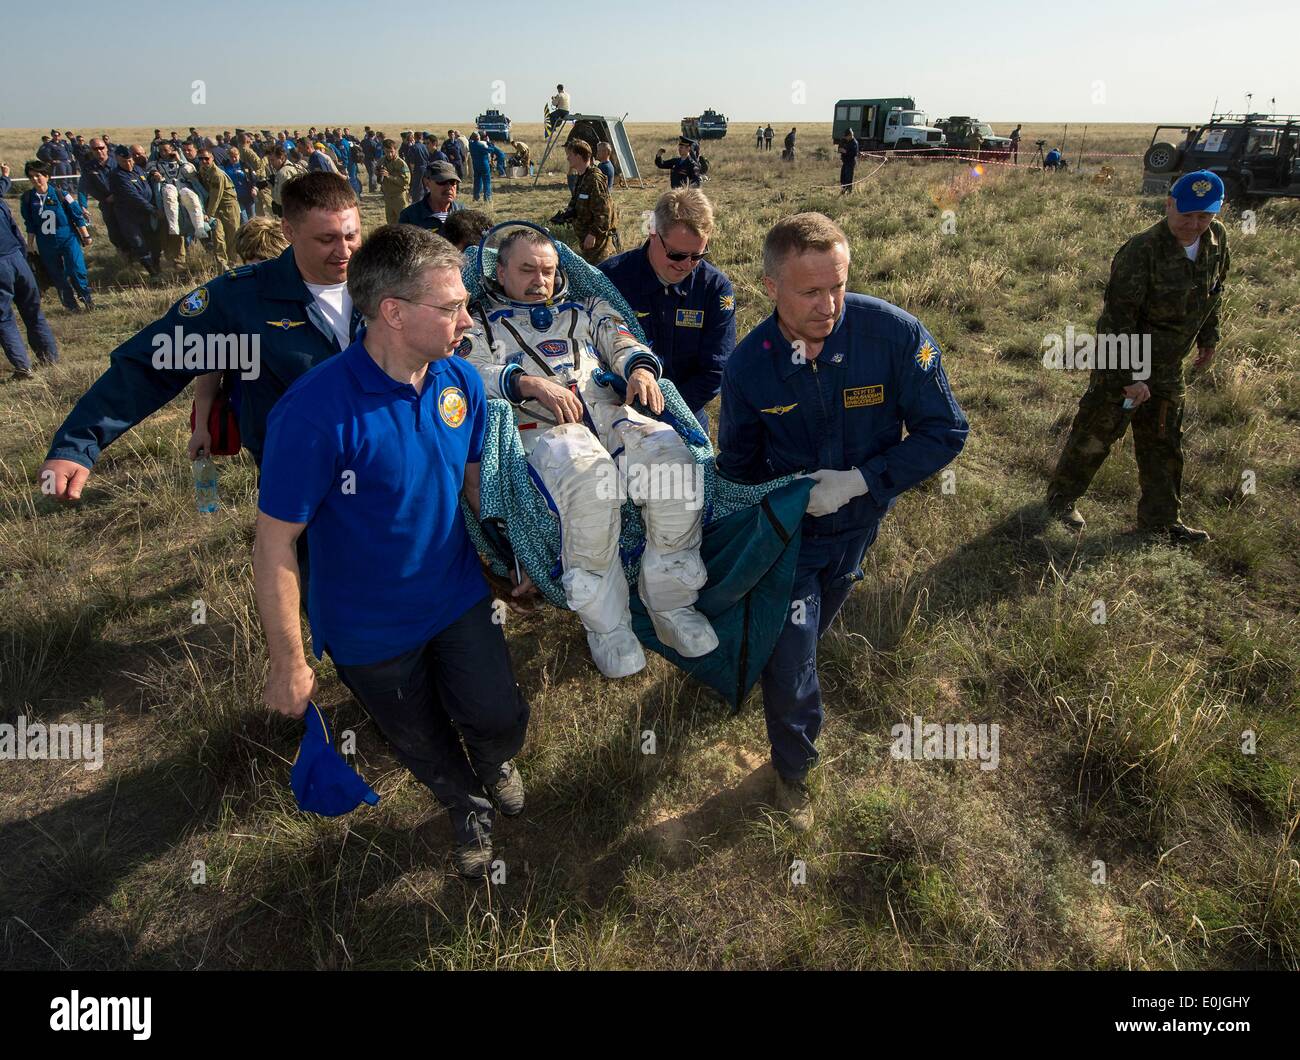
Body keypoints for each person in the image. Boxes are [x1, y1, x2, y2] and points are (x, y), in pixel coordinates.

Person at [254, 224, 529, 878]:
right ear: (394, 313)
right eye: (453, 307)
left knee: (498, 711)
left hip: (458, 595)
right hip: (367, 631)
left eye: (467, 302)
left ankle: (494, 758)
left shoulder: (458, 380)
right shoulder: (315, 413)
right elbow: (273, 544)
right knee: (422, 739)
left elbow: (468, 482)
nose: (469, 318)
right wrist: (288, 660)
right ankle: (466, 807)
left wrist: (512, 555)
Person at [718, 212, 968, 830]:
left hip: (859, 525)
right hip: (792, 540)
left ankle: (780, 679)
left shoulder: (894, 336)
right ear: (771, 285)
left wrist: (862, 481)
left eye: (838, 285)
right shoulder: (749, 368)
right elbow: (739, 469)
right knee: (793, 654)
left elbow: (946, 430)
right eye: (810, 290)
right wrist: (783, 506)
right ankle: (795, 768)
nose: (829, 304)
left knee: (818, 626)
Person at [464, 223, 717, 678]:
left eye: (547, 270)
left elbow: (621, 337)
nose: (539, 281)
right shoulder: (476, 321)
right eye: (526, 270)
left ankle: (671, 605)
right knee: (591, 487)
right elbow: (466, 370)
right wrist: (525, 382)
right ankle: (608, 627)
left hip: (608, 412)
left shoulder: (584, 308)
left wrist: (639, 369)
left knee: (673, 466)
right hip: (544, 431)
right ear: (500, 272)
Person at [38, 173, 363, 503]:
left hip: (389, 470)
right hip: (300, 479)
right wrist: (78, 443)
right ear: (289, 231)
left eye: (352, 235)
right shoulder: (239, 301)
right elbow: (151, 365)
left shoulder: (387, 285)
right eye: (326, 239)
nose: (344, 250)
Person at [1045, 171, 1230, 544]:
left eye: (1204, 217)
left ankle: (1161, 520)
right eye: (1187, 215)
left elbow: (1214, 292)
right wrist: (1131, 377)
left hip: (1169, 367)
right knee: (1097, 432)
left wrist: (1209, 337)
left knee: (1163, 441)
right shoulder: (1142, 251)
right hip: (1124, 361)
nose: (1194, 225)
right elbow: (1116, 321)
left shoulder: (1216, 240)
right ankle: (1060, 502)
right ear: (1169, 205)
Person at [598, 188, 734, 433]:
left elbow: (715, 370)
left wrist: (667, 412)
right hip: (617, 418)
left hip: (684, 418)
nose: (686, 265)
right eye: (677, 254)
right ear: (653, 232)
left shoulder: (714, 288)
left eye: (698, 255)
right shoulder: (610, 279)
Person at [0, 163, 59, 379]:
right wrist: (5, 176)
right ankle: (49, 358)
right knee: (33, 311)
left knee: (4, 318)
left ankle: (23, 368)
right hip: (18, 258)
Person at [20, 162, 94, 313]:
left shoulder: (62, 194)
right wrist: (30, 245)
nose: (35, 179)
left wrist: (85, 235)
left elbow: (77, 216)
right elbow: (30, 224)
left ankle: (87, 299)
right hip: (46, 243)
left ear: (46, 176)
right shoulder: (28, 199)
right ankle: (71, 306)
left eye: (38, 175)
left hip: (68, 238)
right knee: (57, 275)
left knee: (76, 269)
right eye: (31, 176)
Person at [108, 145, 160, 275]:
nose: (129, 163)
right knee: (138, 242)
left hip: (145, 214)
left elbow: (147, 186)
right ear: (117, 160)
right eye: (124, 161)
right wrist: (153, 209)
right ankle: (151, 272)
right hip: (129, 216)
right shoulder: (117, 175)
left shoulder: (138, 170)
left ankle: (156, 265)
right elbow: (133, 196)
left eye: (130, 160)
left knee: (152, 240)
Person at [563, 140, 615, 264]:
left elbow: (604, 213)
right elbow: (578, 202)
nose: (567, 158)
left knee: (601, 274)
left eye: (570, 154)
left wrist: (593, 234)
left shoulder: (594, 179)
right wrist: (567, 214)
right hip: (586, 241)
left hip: (598, 245)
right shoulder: (582, 177)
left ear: (579, 156)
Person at [197, 148, 242, 271]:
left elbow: (216, 196)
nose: (204, 161)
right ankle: (222, 264)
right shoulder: (203, 171)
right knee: (218, 236)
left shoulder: (217, 174)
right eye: (201, 159)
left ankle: (233, 262)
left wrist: (209, 214)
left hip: (228, 207)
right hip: (216, 209)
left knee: (232, 236)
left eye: (206, 158)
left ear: (212, 159)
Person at [398, 161, 464, 234]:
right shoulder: (410, 217)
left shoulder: (463, 214)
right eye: (442, 182)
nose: (449, 187)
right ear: (427, 182)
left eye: (452, 182)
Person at [268, 143, 307, 219]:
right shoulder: (297, 166)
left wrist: (273, 186)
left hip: (293, 212)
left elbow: (280, 199)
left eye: (273, 160)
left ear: (282, 158)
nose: (271, 163)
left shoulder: (283, 173)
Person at [377, 139, 410, 224]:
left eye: (391, 151)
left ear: (395, 150)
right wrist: (378, 173)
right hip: (388, 196)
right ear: (384, 150)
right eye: (387, 151)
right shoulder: (381, 161)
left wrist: (389, 176)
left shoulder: (401, 163)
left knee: (403, 222)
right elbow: (378, 175)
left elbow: (405, 182)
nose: (389, 154)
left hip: (399, 197)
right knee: (391, 222)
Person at [468, 133, 506, 201]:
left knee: (477, 181)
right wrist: (488, 142)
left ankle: (476, 197)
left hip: (475, 165)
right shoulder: (480, 145)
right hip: (483, 164)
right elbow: (491, 150)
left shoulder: (471, 145)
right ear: (478, 137)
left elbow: (470, 140)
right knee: (486, 181)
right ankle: (487, 197)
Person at [839, 129, 859, 194]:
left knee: (848, 178)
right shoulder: (845, 140)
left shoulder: (854, 143)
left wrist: (845, 151)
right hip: (844, 162)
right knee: (843, 177)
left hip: (850, 162)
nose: (845, 138)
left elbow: (854, 154)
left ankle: (849, 192)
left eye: (846, 136)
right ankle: (843, 190)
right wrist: (841, 150)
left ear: (850, 135)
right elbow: (840, 148)